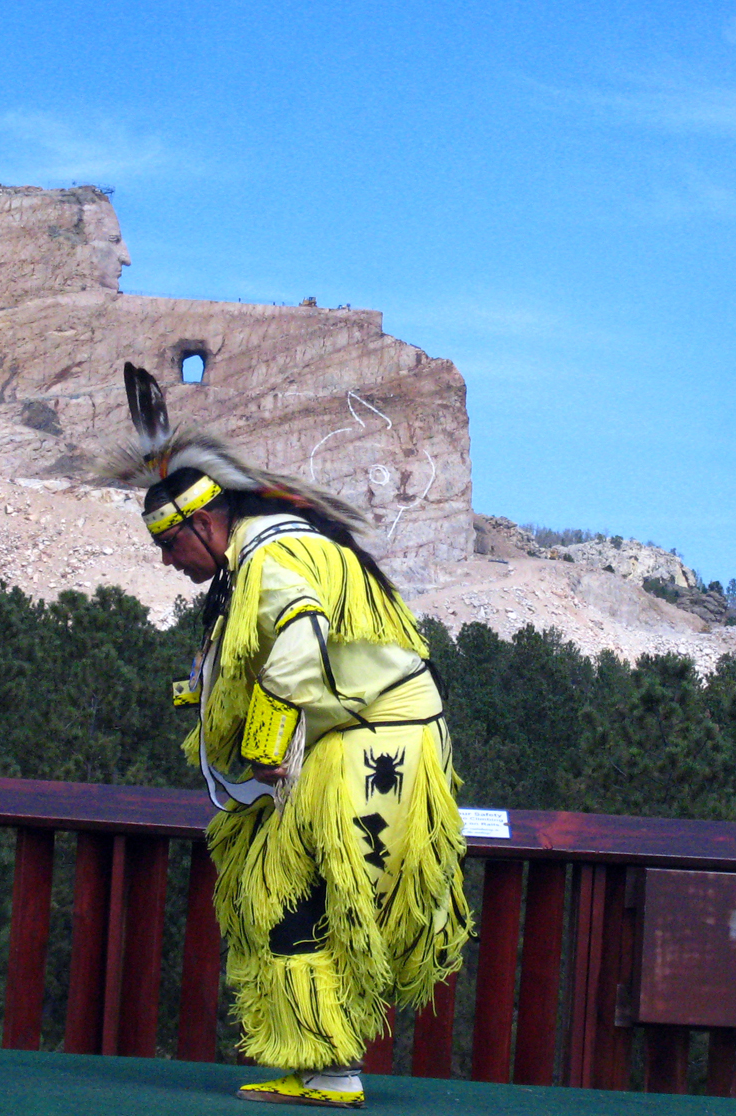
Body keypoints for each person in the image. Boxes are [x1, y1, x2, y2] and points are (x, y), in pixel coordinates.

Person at [102, 364, 469, 1110]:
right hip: (355, 737)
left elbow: (299, 641)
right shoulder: (258, 562)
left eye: (170, 547)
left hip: (375, 743)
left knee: (302, 892)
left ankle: (332, 1065)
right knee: (269, 887)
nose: (169, 565)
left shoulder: (273, 558)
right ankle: (309, 1058)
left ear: (203, 524)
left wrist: (267, 743)